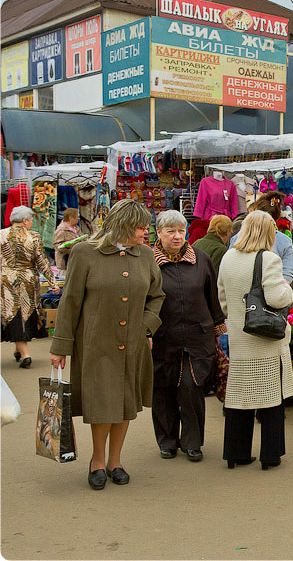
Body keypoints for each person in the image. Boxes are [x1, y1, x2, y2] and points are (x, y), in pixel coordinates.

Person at [49, 199, 166, 490]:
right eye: (140, 227)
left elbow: (157, 296)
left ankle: (116, 461)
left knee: (125, 402)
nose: (145, 232)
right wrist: (60, 346)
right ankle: (97, 461)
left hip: (133, 343)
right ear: (123, 225)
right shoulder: (85, 252)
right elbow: (71, 301)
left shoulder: (146, 256)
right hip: (96, 342)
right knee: (102, 402)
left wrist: (146, 327)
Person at [217, 211, 293, 470]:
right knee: (271, 397)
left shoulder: (228, 257)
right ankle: (270, 454)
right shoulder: (269, 259)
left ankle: (235, 452)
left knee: (239, 395)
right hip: (265, 338)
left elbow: (223, 299)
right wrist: (288, 290)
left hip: (240, 335)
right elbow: (276, 298)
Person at [151, 210, 226, 462]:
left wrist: (219, 330)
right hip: (162, 338)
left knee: (191, 389)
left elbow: (212, 297)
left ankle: (193, 442)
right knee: (163, 389)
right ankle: (167, 441)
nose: (176, 236)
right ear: (158, 232)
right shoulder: (148, 262)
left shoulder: (201, 259)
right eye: (170, 231)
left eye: (181, 231)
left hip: (197, 336)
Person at [2, 205, 60, 369]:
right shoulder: (33, 237)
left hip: (7, 280)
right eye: (31, 220)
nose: (32, 223)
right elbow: (42, 262)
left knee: (12, 313)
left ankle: (18, 350)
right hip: (28, 280)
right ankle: (26, 355)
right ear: (25, 220)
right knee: (25, 314)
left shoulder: (1, 235)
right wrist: (53, 283)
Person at [229, 192, 293, 283]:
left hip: (242, 291)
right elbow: (287, 275)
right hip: (275, 291)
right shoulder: (284, 241)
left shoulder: (238, 238)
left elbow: (229, 268)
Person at [53, 207, 82, 271]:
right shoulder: (61, 230)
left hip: (76, 260)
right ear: (71, 218)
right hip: (65, 263)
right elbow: (57, 246)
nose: (78, 218)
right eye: (77, 217)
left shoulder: (76, 228)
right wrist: (66, 246)